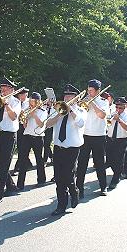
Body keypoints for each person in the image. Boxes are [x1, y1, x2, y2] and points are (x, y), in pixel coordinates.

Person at [46, 84, 87, 216]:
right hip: (58, 148)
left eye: (70, 95)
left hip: (72, 149)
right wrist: (59, 114)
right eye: (65, 95)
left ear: (76, 98)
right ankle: (61, 205)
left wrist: (70, 111)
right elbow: (47, 124)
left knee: (68, 175)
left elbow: (81, 124)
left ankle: (74, 191)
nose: (67, 97)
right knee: (59, 178)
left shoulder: (81, 111)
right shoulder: (58, 109)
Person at [0, 77, 21, 205]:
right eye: (2, 88)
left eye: (5, 88)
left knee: (5, 164)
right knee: (0, 163)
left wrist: (6, 105)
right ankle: (11, 185)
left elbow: (13, 117)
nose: (3, 90)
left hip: (9, 135)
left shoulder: (15, 102)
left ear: (11, 89)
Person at [76, 79, 109, 198]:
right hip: (85, 135)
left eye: (91, 91)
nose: (89, 93)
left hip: (99, 136)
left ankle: (103, 186)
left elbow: (102, 115)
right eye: (88, 91)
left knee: (99, 163)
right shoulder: (84, 100)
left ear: (98, 91)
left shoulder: (104, 102)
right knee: (82, 164)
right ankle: (79, 189)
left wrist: (92, 103)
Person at [17, 92, 47, 189]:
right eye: (30, 101)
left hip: (38, 137)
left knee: (39, 159)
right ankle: (20, 183)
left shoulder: (43, 111)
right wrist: (24, 119)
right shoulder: (28, 110)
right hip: (27, 135)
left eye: (32, 101)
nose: (30, 103)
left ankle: (41, 180)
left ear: (37, 102)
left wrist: (34, 114)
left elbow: (41, 125)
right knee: (22, 159)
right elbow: (25, 125)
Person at [105, 97, 127, 190]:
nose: (118, 110)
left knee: (118, 160)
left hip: (121, 140)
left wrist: (119, 120)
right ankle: (119, 171)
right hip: (110, 139)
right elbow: (106, 125)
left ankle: (115, 179)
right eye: (117, 107)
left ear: (124, 107)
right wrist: (111, 119)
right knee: (110, 159)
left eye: (120, 108)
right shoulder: (112, 114)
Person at [12, 87, 31, 176]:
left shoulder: (30, 102)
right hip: (18, 126)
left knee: (22, 148)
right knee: (20, 147)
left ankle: (17, 167)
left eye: (22, 95)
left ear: (26, 94)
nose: (20, 97)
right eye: (19, 95)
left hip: (25, 126)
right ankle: (28, 163)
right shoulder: (17, 102)